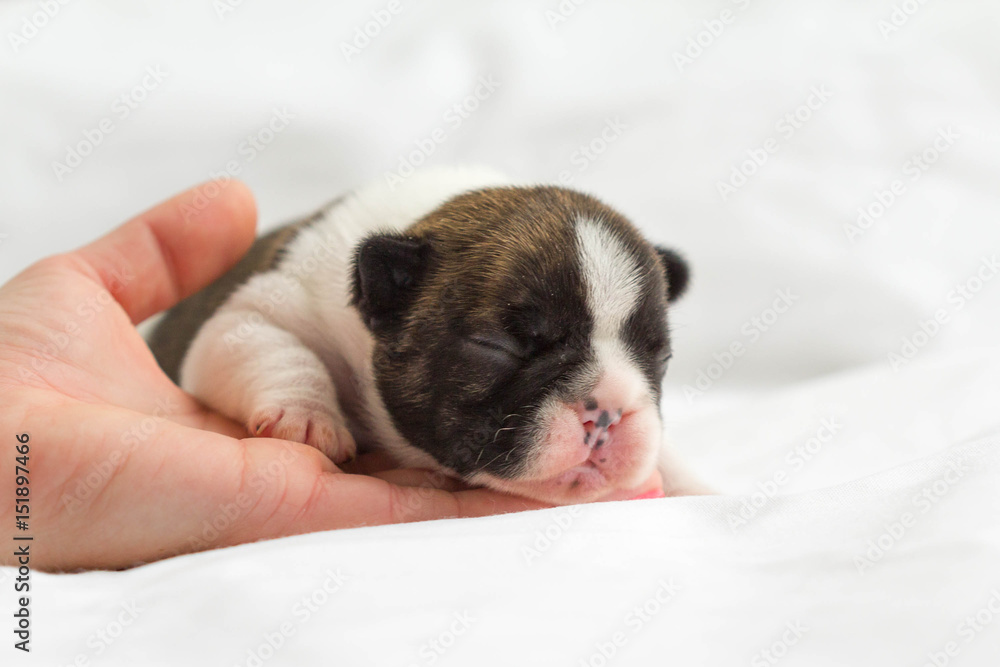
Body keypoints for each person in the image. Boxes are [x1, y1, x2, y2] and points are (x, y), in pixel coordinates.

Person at [0, 182, 574, 571]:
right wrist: (294, 386)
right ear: (387, 288)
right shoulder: (330, 273)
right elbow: (225, 342)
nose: (602, 410)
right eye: (502, 348)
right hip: (156, 393)